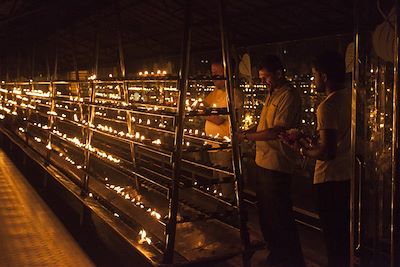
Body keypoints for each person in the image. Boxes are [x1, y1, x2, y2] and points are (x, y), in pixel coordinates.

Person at [238, 55, 304, 267]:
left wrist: (248, 137)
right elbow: (263, 126)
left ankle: (290, 259)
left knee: (279, 216)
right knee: (267, 215)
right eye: (261, 78)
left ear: (279, 73)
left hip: (277, 164)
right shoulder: (272, 93)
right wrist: (249, 132)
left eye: (266, 77)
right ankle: (276, 255)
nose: (263, 82)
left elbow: (277, 131)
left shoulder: (288, 95)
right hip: (263, 161)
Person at [295, 51, 350, 267]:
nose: (313, 79)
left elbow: (327, 152)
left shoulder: (326, 106)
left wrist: (303, 150)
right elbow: (339, 141)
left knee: (333, 237)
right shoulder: (351, 99)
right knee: (344, 236)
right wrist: (311, 142)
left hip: (330, 179)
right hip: (347, 175)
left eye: (315, 74)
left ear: (325, 76)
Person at [204, 60, 243, 200]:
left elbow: (219, 119)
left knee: (226, 185)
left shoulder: (233, 94)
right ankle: (220, 212)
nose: (213, 77)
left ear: (226, 74)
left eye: (217, 73)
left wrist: (202, 112)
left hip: (224, 148)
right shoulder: (214, 93)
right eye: (212, 73)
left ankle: (230, 213)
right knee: (217, 183)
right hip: (213, 146)